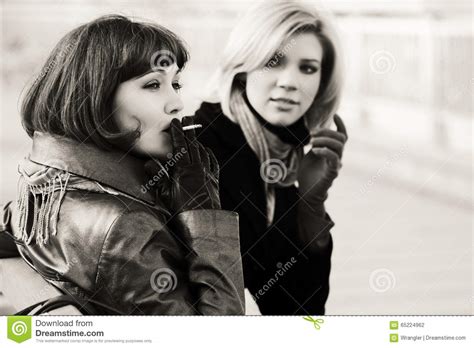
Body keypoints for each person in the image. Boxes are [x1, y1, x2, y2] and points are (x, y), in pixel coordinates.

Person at [3, 15, 245, 315]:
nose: (176, 104)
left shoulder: (39, 180)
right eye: (153, 84)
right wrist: (205, 214)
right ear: (97, 96)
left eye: (175, 84)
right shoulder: (126, 226)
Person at [193, 0, 348, 314]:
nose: (290, 82)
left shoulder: (277, 160)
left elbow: (298, 314)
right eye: (273, 62)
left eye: (307, 68)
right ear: (242, 69)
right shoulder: (199, 156)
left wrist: (309, 208)